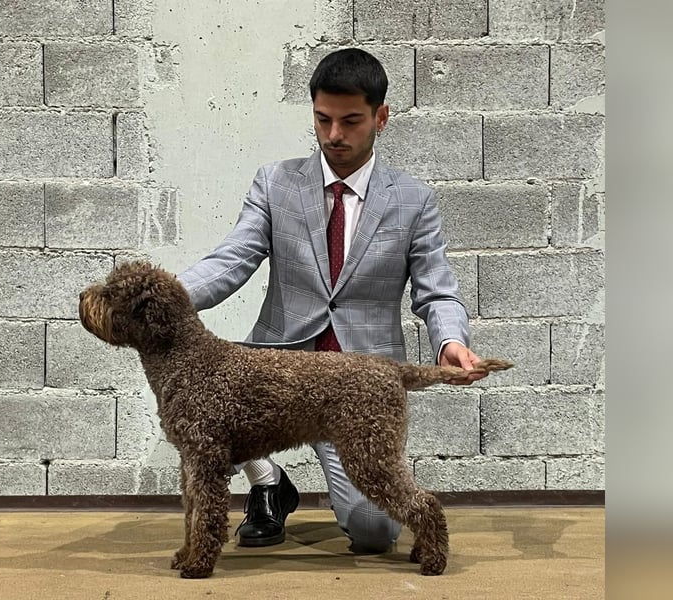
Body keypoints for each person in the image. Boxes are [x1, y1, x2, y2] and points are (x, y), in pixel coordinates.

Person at [176, 48, 484, 553]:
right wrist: (169, 299)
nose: (334, 135)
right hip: (274, 375)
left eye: (350, 121)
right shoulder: (275, 182)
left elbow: (437, 288)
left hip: (356, 388)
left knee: (373, 532)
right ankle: (268, 483)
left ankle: (316, 496)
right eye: (322, 119)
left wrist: (450, 340)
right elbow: (231, 261)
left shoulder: (413, 200)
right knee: (200, 420)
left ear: (381, 117)